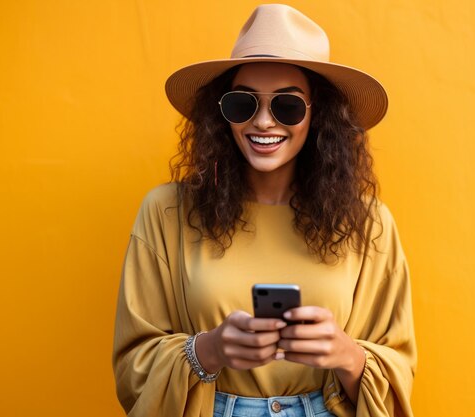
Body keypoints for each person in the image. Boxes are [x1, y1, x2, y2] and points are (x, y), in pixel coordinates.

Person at [113, 4, 416, 417]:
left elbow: (399, 366)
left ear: (318, 115)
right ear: (221, 113)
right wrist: (211, 349)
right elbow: (133, 367)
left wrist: (347, 355)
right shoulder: (166, 212)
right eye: (243, 104)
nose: (263, 122)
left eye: (287, 106)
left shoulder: (368, 222)